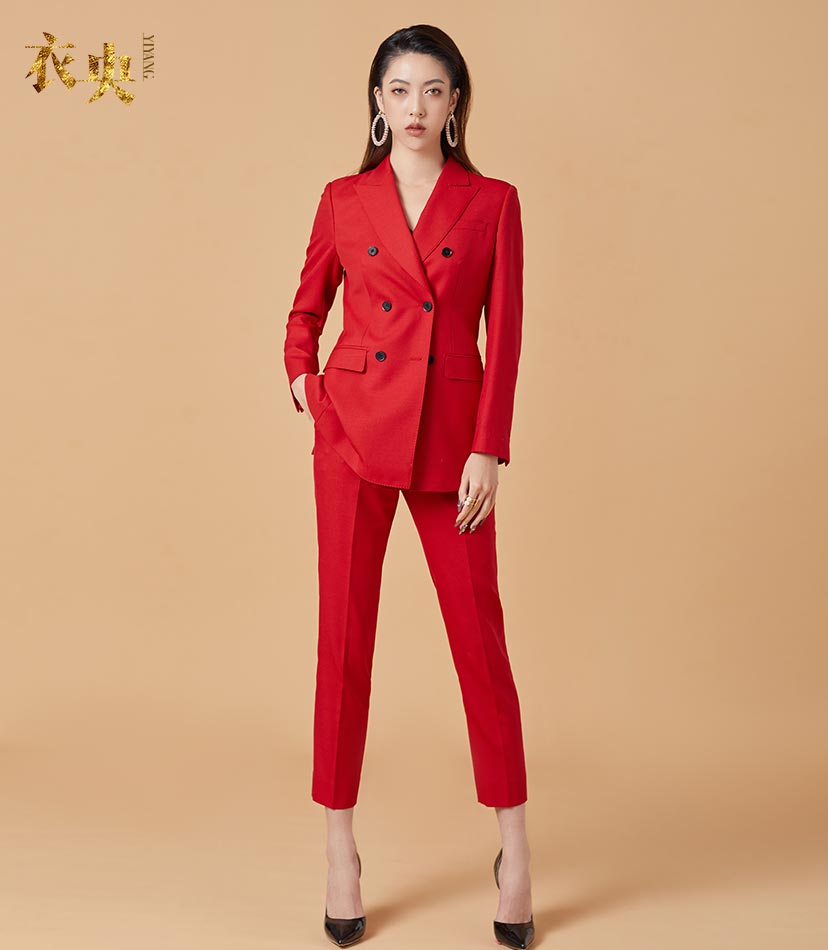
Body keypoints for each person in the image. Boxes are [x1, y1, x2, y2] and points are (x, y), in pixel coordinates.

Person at [283, 24, 534, 949]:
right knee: (343, 640)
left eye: (433, 89)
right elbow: (306, 308)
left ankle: (517, 851)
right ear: (378, 104)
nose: (416, 106)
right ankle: (339, 850)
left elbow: (504, 334)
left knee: (481, 644)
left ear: (456, 102)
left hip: (452, 443)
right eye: (399, 90)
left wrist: (488, 448)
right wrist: (304, 380)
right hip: (352, 436)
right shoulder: (342, 198)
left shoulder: (493, 201)